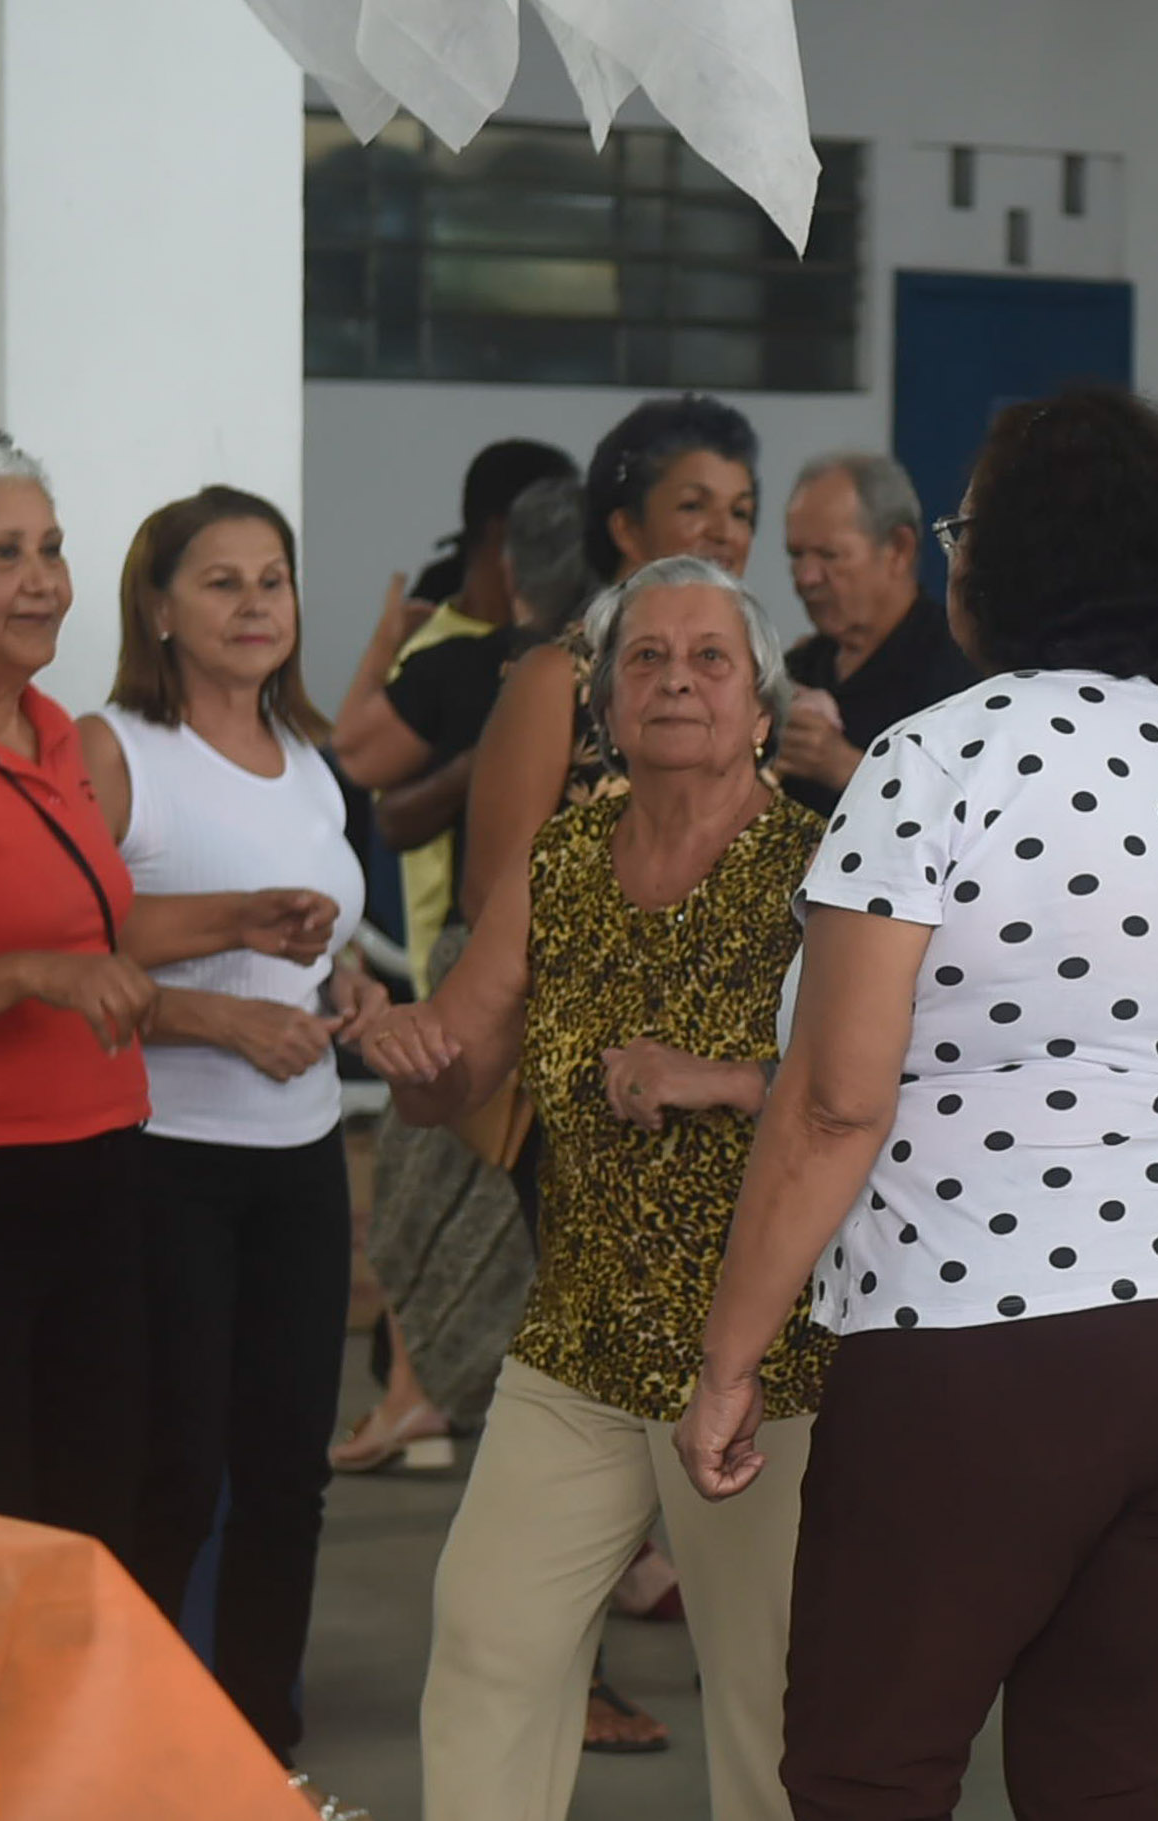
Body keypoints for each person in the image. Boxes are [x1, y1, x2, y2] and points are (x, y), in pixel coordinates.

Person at [676, 386, 1158, 1819]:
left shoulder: (930, 765)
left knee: (869, 1771)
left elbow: (833, 1104)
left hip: (984, 1343)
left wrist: (730, 1356)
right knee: (1103, 1779)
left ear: (1005, 557)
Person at [0, 412, 334, 1570]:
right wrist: (30, 978)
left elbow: (89, 930)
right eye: (5, 555)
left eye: (51, 549)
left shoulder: (46, 734)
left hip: (94, 1167)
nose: (43, 581)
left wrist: (237, 918)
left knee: (95, 1528)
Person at [355, 556, 829, 1821]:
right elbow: (459, 1070)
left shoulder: (825, 869)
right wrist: (413, 1061)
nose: (676, 680)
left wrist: (717, 1079)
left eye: (710, 658)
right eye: (646, 659)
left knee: (770, 1698)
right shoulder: (559, 863)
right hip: (579, 1345)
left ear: (762, 707)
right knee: (488, 1643)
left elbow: (886, 1092)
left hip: (766, 1359)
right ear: (608, 708)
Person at [79, 485, 383, 1760]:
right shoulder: (113, 752)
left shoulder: (310, 759)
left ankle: (260, 1741)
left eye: (274, 579)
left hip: (299, 1160)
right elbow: (61, 953)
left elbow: (317, 940)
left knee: (286, 1471)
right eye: (222, 581)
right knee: (173, 1470)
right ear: (158, 607)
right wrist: (220, 1024)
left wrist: (350, 985)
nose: (257, 604)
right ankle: (127, 1748)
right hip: (164, 1157)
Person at [340, 475, 595, 1473]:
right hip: (474, 967)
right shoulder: (493, 667)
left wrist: (384, 639)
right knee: (453, 1203)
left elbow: (367, 771)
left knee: (486, 1224)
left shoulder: (484, 662)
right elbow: (378, 788)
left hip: (486, 964)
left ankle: (430, 1400)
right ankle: (424, 1396)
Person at [460, 395, 760, 929]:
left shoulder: (751, 677)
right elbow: (492, 895)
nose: (725, 532)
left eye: (741, 512)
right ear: (626, 529)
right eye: (694, 507)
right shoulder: (555, 677)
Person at [331, 439, 577, 992]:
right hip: (450, 941)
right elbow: (363, 771)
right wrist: (386, 637)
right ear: (505, 533)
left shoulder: (565, 653)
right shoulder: (443, 651)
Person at [775, 450, 977, 816]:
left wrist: (845, 767)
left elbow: (971, 814)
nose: (806, 577)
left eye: (828, 555)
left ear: (899, 549)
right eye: (796, 555)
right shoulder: (797, 669)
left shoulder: (958, 673)